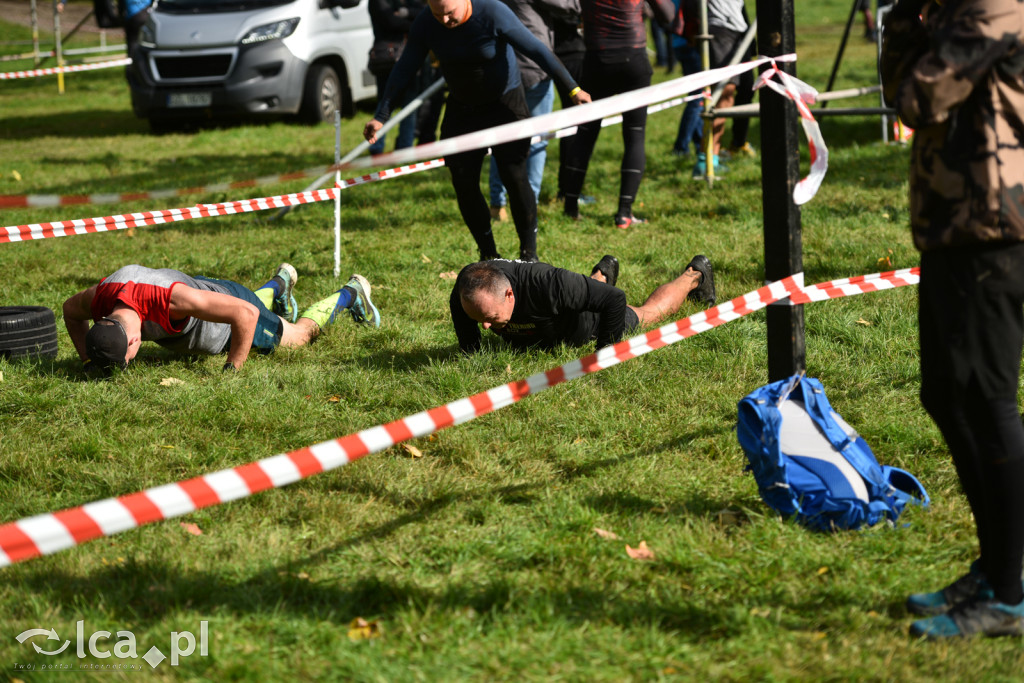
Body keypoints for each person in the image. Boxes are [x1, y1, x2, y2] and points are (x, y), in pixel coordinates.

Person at [880, 0, 1024, 639]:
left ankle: (1011, 591)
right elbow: (897, 91)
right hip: (951, 226)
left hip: (994, 230)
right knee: (944, 395)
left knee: (987, 403)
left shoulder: (994, 7)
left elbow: (920, 99)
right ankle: (997, 566)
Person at [363, 0, 592, 263]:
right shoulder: (426, 22)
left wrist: (573, 89)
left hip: (505, 102)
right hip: (463, 108)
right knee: (462, 180)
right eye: (440, 15)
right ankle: (488, 254)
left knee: (514, 174)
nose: (446, 21)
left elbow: (537, 50)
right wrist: (381, 116)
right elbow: (405, 68)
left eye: (450, 13)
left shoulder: (492, 12)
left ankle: (529, 254)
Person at [62, 264, 381, 374]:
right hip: (208, 294)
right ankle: (280, 283)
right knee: (231, 300)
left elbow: (245, 313)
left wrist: (232, 369)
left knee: (299, 337)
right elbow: (68, 310)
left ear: (134, 341)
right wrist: (89, 359)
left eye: (126, 360)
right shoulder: (100, 297)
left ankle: (351, 293)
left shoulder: (170, 301)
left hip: (233, 311)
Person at [559, 0, 675, 229]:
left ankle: (570, 207)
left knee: (585, 133)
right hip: (633, 57)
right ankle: (624, 214)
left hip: (597, 58)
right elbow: (667, 15)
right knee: (635, 134)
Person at [450, 254, 715, 353]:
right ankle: (601, 274)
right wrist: (470, 351)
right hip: (557, 315)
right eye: (478, 318)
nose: (485, 326)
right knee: (581, 291)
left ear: (509, 294)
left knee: (649, 314)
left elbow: (615, 299)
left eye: (491, 317)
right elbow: (466, 323)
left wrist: (605, 351)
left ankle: (695, 273)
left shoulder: (547, 284)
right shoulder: (469, 287)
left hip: (585, 324)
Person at [487, 0, 578, 220]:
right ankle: (531, 203)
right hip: (532, 68)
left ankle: (497, 203)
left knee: (501, 140)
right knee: (537, 140)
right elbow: (567, 6)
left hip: (503, 69)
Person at [367, 0, 426, 155]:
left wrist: (405, 12)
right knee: (385, 101)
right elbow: (390, 21)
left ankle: (405, 148)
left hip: (405, 56)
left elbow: (422, 10)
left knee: (409, 105)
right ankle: (377, 146)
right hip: (386, 60)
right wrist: (413, 24)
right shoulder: (379, 2)